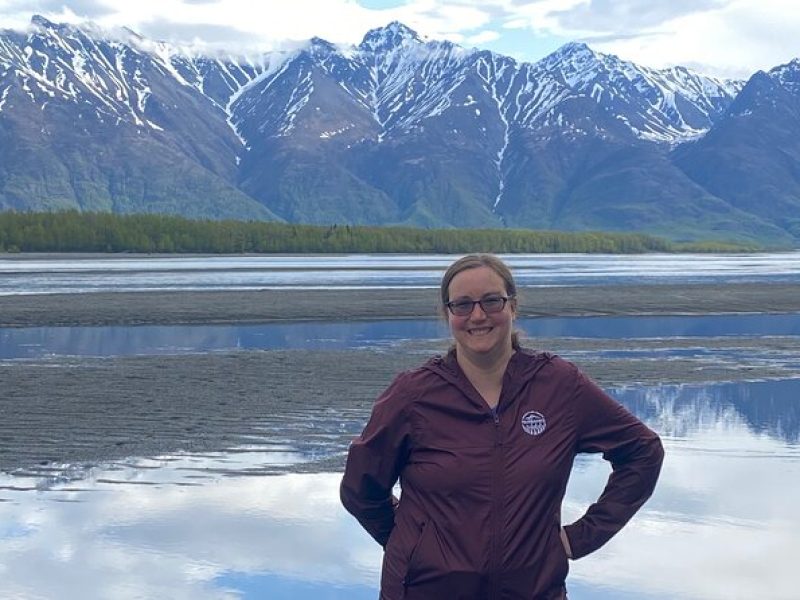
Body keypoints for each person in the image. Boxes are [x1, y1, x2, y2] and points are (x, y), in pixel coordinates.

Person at [340, 253, 664, 599]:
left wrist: (580, 537)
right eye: (462, 305)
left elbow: (642, 452)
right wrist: (412, 546)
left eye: (492, 301)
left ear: (513, 306)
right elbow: (361, 489)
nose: (478, 316)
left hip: (534, 591)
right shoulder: (413, 395)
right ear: (447, 314)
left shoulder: (558, 385)